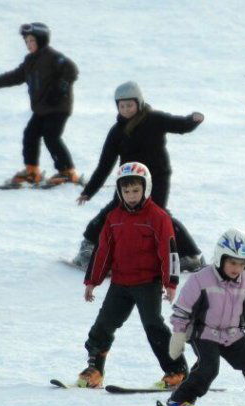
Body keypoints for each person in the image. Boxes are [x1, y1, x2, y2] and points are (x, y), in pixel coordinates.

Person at [70, 81, 206, 272]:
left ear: (139, 103)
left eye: (130, 105)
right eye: (122, 106)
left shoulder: (155, 120)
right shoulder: (117, 132)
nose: (126, 109)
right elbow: (105, 165)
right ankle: (88, 246)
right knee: (116, 208)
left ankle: (188, 255)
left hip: (157, 177)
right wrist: (89, 190)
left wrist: (193, 120)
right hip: (129, 179)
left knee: (158, 214)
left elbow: (179, 125)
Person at [76, 162, 187, 389]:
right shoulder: (114, 217)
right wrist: (92, 281)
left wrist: (170, 283)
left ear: (145, 189)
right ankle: (95, 369)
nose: (131, 195)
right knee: (103, 325)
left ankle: (176, 370)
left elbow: (169, 252)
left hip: (148, 283)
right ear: (119, 191)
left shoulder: (158, 217)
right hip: (120, 284)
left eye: (136, 190)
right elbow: (103, 252)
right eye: (126, 191)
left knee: (153, 326)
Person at [161, 228, 245, 406]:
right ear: (220, 258)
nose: (237, 268)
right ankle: (179, 403)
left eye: (242, 264)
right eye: (232, 262)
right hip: (203, 333)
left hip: (233, 334)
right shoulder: (200, 279)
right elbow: (182, 310)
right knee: (208, 368)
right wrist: (178, 335)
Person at [0, 22, 80, 187]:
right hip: (42, 109)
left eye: (32, 41)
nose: (28, 45)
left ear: (41, 40)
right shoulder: (29, 61)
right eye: (26, 41)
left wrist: (59, 89)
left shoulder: (52, 57)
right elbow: (13, 77)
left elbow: (71, 70)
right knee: (30, 135)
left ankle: (68, 172)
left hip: (57, 107)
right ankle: (32, 171)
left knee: (51, 136)